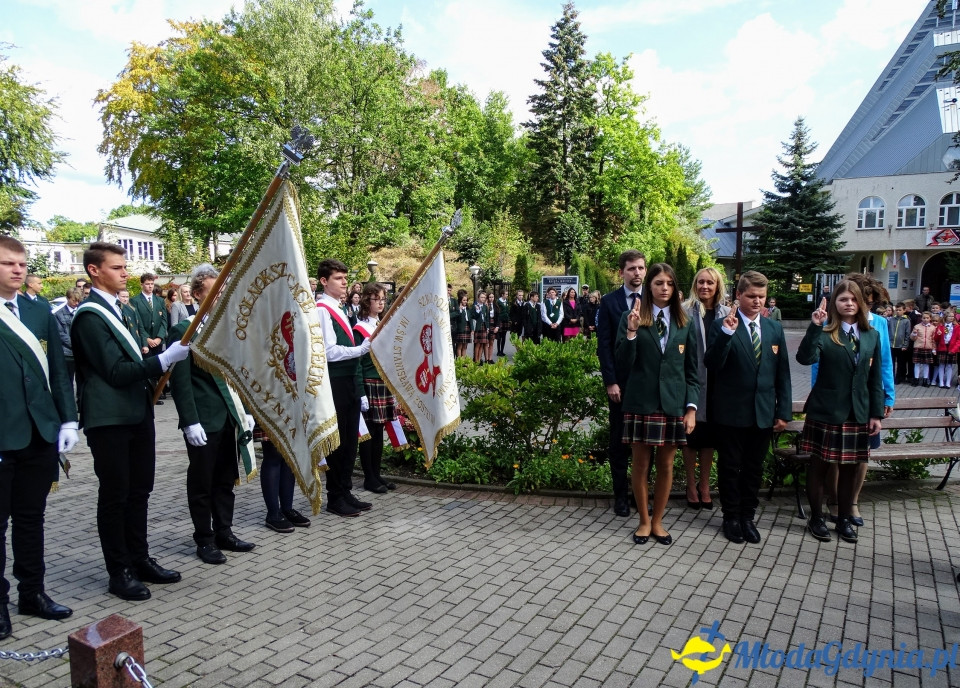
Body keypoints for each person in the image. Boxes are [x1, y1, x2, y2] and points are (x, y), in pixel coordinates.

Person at [70, 242, 191, 600]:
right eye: (117, 267)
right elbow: (114, 370)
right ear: (95, 271)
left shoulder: (118, 310)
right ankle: (118, 570)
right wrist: (162, 360)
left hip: (136, 411)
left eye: (125, 267)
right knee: (116, 494)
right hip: (109, 418)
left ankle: (139, 558)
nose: (126, 273)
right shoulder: (90, 316)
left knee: (140, 490)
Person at [0, 236, 79, 637]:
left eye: (21, 263)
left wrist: (68, 420)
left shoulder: (36, 310)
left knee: (32, 519)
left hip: (39, 434)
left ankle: (33, 591)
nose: (17, 270)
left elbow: (57, 371)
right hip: (2, 436)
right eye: (7, 263)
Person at [168, 264, 256, 565]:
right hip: (203, 420)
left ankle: (224, 532)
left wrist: (245, 410)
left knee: (225, 479)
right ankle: (203, 540)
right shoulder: (185, 329)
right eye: (213, 292)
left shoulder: (226, 329)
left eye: (223, 291)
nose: (220, 297)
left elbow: (236, 375)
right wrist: (189, 420)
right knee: (202, 482)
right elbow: (181, 382)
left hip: (228, 416)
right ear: (196, 295)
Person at [705, 270, 791, 544]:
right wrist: (727, 334)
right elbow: (712, 364)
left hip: (763, 412)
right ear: (739, 295)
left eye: (762, 297)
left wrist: (783, 411)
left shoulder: (774, 328)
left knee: (754, 467)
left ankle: (747, 517)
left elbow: (783, 374)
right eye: (751, 296)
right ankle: (730, 517)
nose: (757, 301)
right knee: (731, 466)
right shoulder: (722, 325)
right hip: (731, 412)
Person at [615, 264, 698, 546]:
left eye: (670, 284)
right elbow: (623, 363)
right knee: (640, 465)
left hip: (673, 404)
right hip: (641, 402)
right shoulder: (632, 316)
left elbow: (692, 371)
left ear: (675, 289)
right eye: (659, 283)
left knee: (666, 465)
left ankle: (659, 521)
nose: (665, 288)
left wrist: (691, 408)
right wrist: (631, 332)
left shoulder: (685, 321)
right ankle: (643, 521)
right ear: (649, 286)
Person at [797, 285, 883, 543]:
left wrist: (875, 413)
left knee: (851, 470)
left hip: (857, 412)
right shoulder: (825, 333)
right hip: (826, 411)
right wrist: (814, 326)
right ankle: (816, 518)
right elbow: (804, 358)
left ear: (860, 303)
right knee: (819, 467)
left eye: (853, 299)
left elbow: (875, 378)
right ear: (835, 303)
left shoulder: (872, 336)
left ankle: (844, 519)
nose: (848, 303)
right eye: (843, 299)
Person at [315, 258, 371, 517]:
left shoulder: (340, 308)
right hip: (335, 382)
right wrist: (359, 350)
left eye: (345, 278)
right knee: (339, 442)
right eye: (339, 278)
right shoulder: (322, 310)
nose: (345, 282)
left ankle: (345, 490)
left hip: (348, 381)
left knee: (350, 440)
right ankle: (335, 496)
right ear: (324, 281)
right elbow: (327, 351)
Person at [597, 250, 646, 517]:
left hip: (648, 385)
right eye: (631, 269)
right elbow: (603, 346)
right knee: (619, 442)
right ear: (622, 272)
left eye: (640, 268)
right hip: (621, 386)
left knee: (645, 443)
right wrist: (611, 382)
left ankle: (640, 495)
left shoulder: (654, 301)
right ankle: (620, 497)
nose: (636, 273)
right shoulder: (609, 302)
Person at [681, 267, 730, 511]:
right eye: (700, 282)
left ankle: (704, 486)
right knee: (692, 437)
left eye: (710, 283)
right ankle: (690, 485)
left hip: (718, 384)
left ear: (717, 285)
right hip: (693, 379)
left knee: (710, 438)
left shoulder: (728, 312)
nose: (705, 287)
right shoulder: (685, 310)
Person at [354, 283, 399, 494]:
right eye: (376, 299)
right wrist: (361, 392)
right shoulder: (359, 328)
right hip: (370, 384)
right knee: (369, 433)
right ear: (366, 301)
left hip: (382, 383)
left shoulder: (379, 324)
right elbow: (359, 363)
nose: (381, 302)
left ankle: (377, 474)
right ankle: (369, 478)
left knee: (379, 431)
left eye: (382, 298)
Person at [257, 427, 311, 533]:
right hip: (269, 411)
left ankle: (287, 509)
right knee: (273, 453)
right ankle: (273, 514)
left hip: (290, 411)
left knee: (289, 454)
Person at [131, 272, 168, 401]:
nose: (150, 286)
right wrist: (146, 339)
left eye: (152, 284)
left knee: (158, 367)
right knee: (148, 367)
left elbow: (164, 320)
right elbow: (137, 322)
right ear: (142, 284)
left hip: (157, 339)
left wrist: (159, 337)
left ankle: (157, 391)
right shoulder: (135, 300)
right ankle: (151, 394)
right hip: (145, 340)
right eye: (147, 284)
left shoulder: (159, 300)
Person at [55, 287, 83, 388]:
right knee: (68, 382)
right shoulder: (59, 314)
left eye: (78, 301)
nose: (76, 303)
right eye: (74, 300)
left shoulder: (82, 312)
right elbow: (61, 334)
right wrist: (76, 345)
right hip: (68, 354)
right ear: (67, 298)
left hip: (82, 354)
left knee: (82, 382)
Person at [910, 311, 936, 387]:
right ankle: (916, 379)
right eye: (924, 318)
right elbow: (912, 338)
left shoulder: (933, 328)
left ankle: (925, 379)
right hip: (918, 346)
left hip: (928, 347)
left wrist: (934, 349)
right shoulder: (917, 326)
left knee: (926, 364)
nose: (925, 319)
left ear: (930, 318)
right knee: (917, 364)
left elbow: (934, 339)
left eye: (927, 318)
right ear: (921, 318)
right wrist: (914, 333)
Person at [934, 311, 958, 388]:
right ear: (945, 317)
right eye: (949, 316)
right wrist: (938, 334)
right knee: (941, 365)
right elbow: (936, 339)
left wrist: (954, 349)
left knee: (949, 366)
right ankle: (941, 382)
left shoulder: (957, 327)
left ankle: (948, 382)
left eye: (952, 316)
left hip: (951, 347)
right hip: (942, 347)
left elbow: (958, 339)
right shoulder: (940, 326)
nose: (951, 318)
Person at [889, 303, 911, 384]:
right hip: (891, 345)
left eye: (900, 310)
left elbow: (907, 334)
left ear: (904, 310)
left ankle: (899, 377)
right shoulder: (891, 320)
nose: (898, 312)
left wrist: (905, 345)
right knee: (891, 363)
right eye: (897, 310)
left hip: (901, 346)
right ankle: (891, 377)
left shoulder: (906, 321)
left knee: (900, 363)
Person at [471, 291, 491, 363]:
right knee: (477, 344)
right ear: (478, 298)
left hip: (484, 326)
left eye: (484, 298)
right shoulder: (474, 306)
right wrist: (477, 311)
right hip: (478, 326)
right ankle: (476, 360)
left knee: (482, 344)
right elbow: (473, 316)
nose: (483, 299)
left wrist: (488, 327)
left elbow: (487, 318)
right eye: (482, 297)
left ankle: (479, 360)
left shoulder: (485, 307)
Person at [451, 290, 471, 358]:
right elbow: (457, 318)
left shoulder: (467, 309)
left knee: (465, 346)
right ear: (460, 300)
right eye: (464, 300)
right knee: (459, 346)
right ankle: (459, 361)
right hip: (461, 328)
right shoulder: (458, 308)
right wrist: (459, 310)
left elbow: (470, 318)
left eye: (466, 300)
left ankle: (464, 360)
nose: (465, 302)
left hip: (467, 327)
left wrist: (472, 329)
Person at [494, 291, 510, 357]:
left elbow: (508, 310)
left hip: (505, 321)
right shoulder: (498, 302)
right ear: (502, 294)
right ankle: (498, 351)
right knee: (499, 337)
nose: (507, 295)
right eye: (506, 294)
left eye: (507, 294)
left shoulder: (507, 302)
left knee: (504, 336)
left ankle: (502, 351)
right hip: (500, 320)